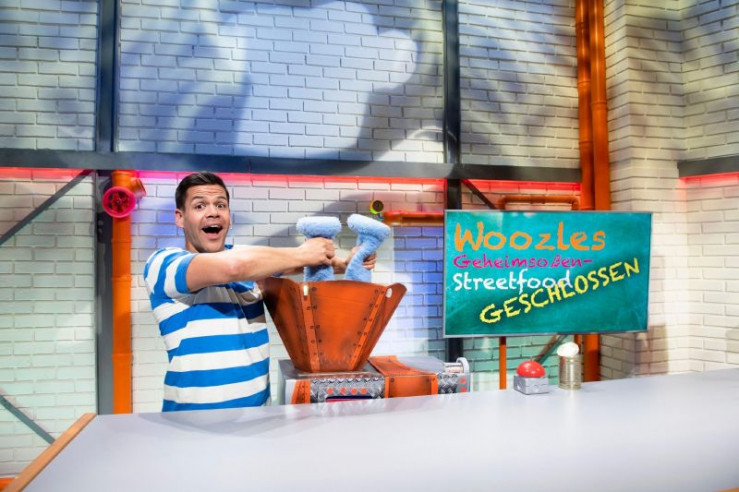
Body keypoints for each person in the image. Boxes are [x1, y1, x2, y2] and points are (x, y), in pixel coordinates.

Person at [144, 172, 375, 412]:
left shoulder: (247, 263)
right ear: (180, 218)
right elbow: (233, 267)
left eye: (220, 205)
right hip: (192, 422)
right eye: (200, 205)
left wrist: (346, 263)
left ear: (229, 217)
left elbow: (290, 265)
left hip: (258, 415)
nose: (213, 212)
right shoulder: (164, 263)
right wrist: (302, 253)